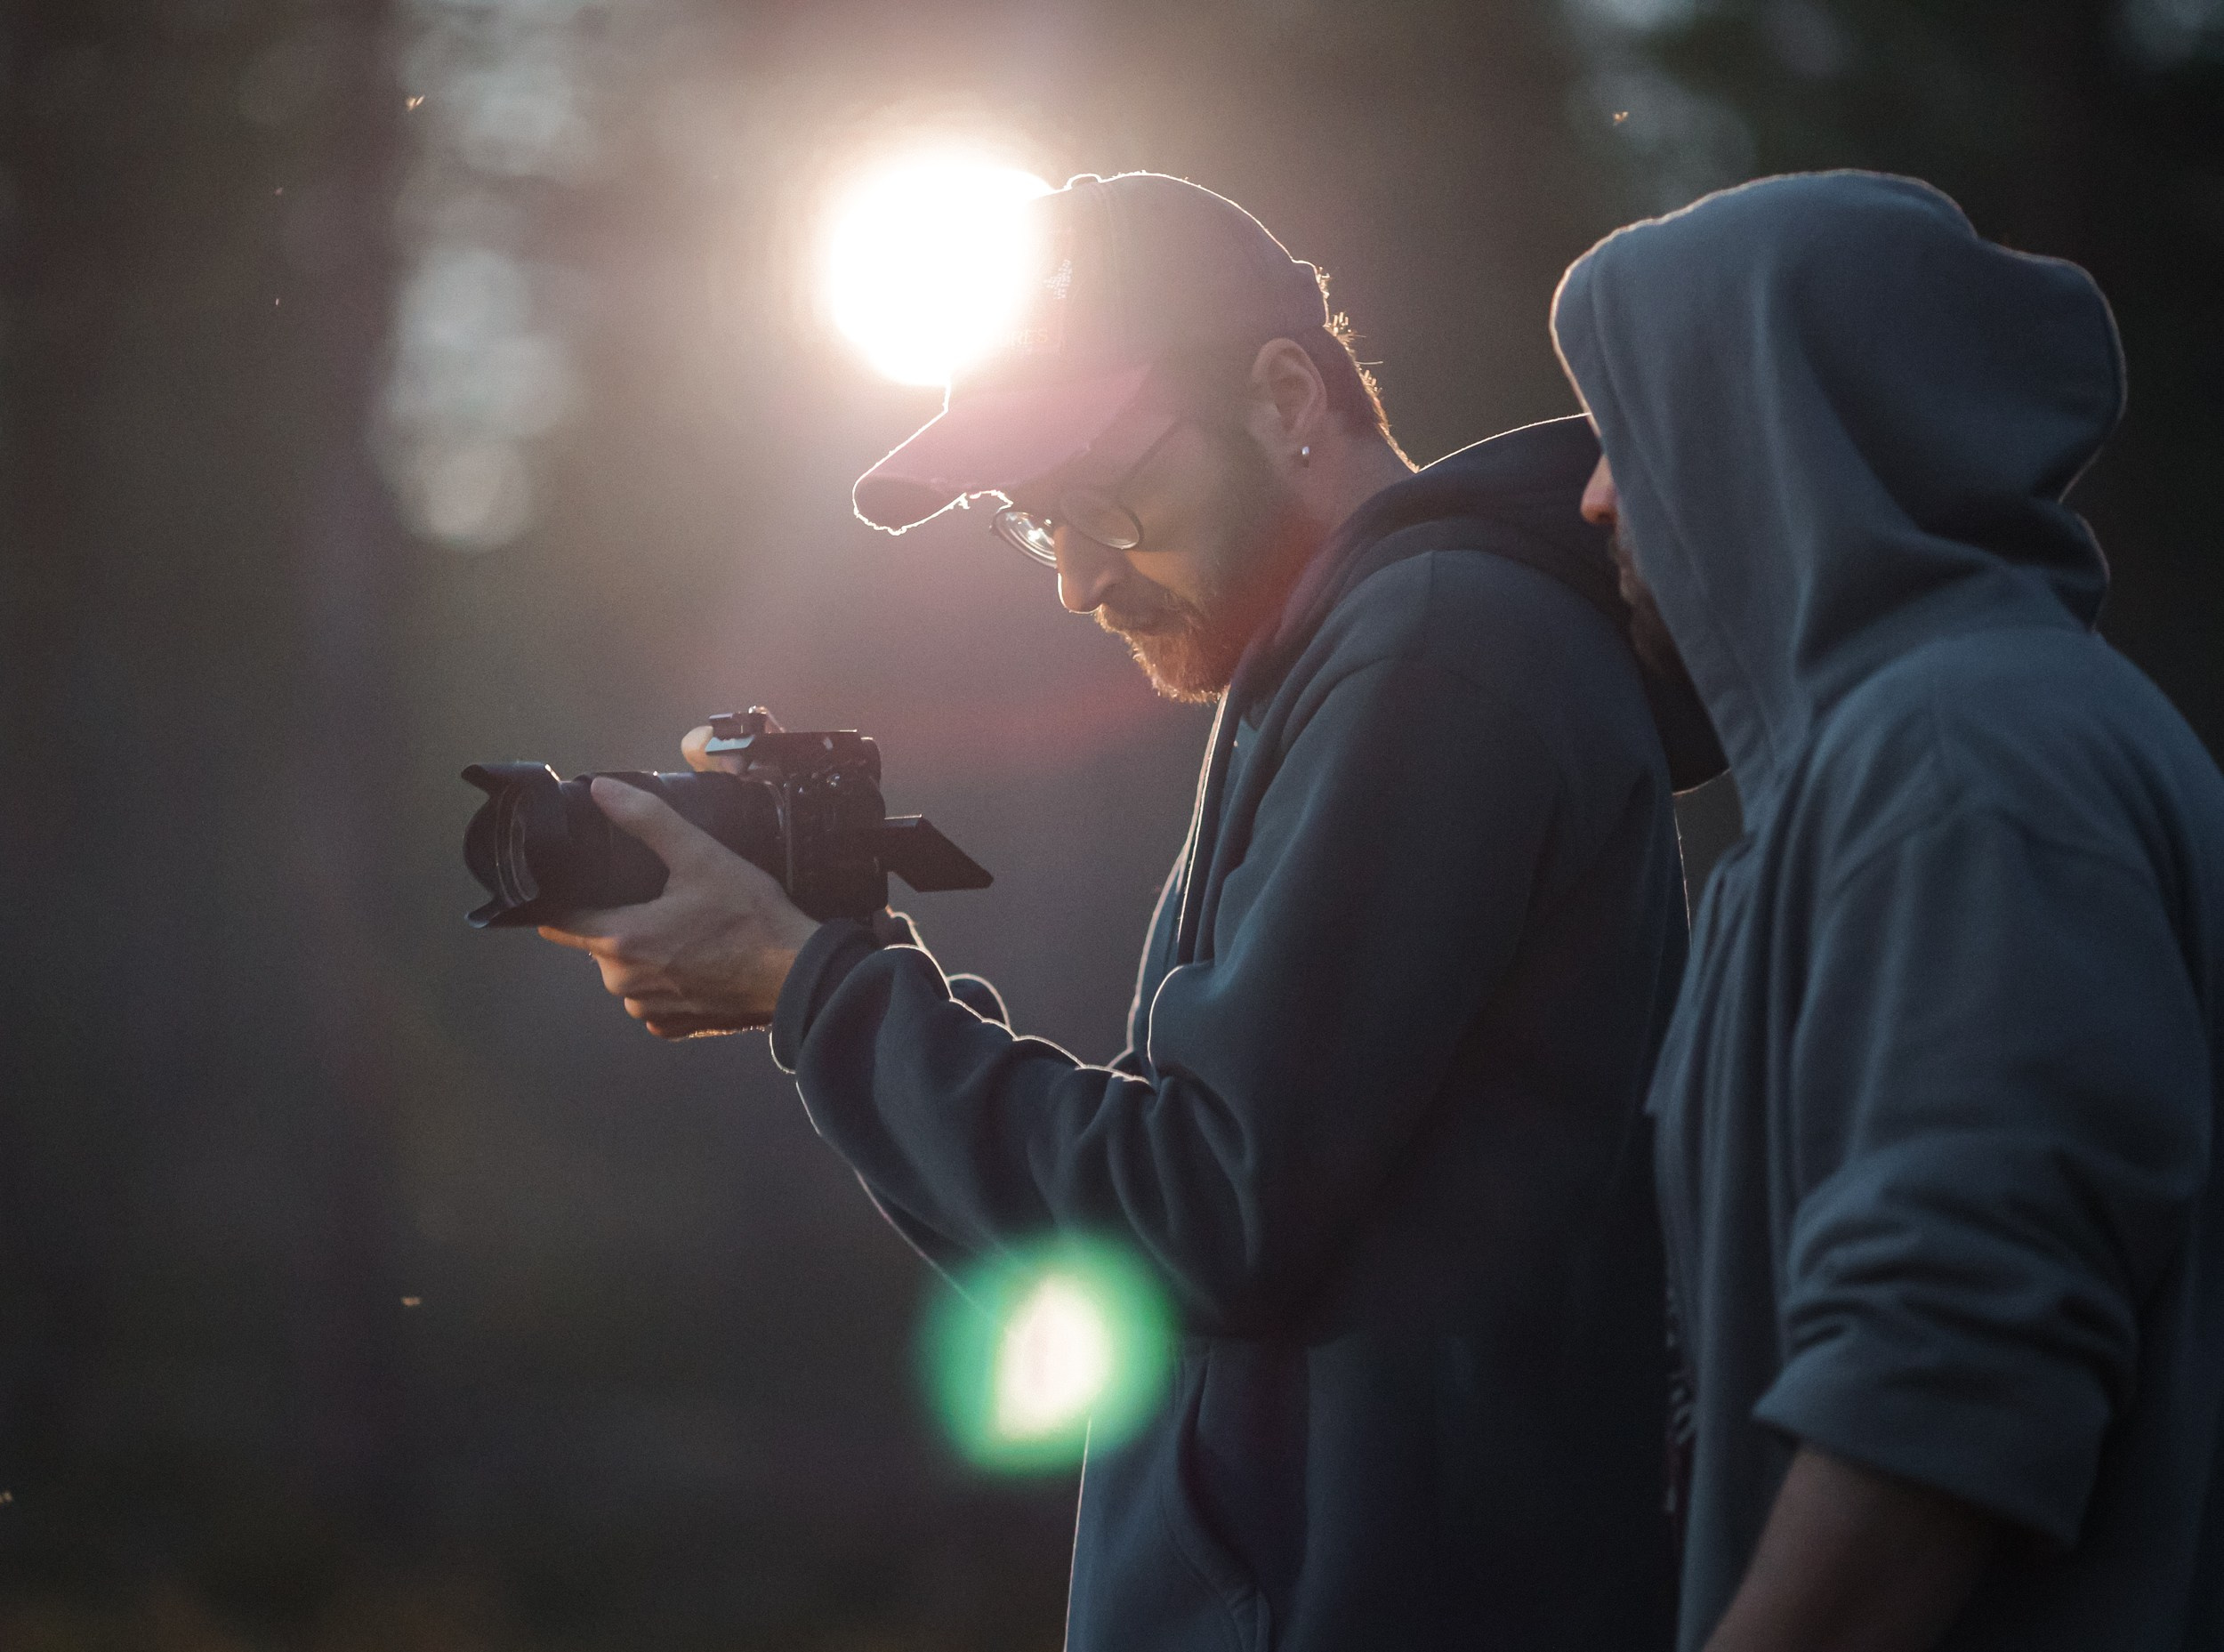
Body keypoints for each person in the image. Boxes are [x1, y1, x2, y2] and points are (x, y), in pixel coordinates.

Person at [541, 171, 1721, 1648]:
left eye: (1099, 499)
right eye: (1036, 525)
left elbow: (1200, 1208)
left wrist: (813, 991)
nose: (1081, 577)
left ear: (1287, 394)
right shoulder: (1361, 648)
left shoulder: (1434, 656)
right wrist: (823, 983)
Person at [1552, 169, 2224, 1652]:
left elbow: (1950, 1381)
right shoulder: (1914, 755)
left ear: (1773, 427)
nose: (1597, 491)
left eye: (1634, 428)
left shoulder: (1961, 762)